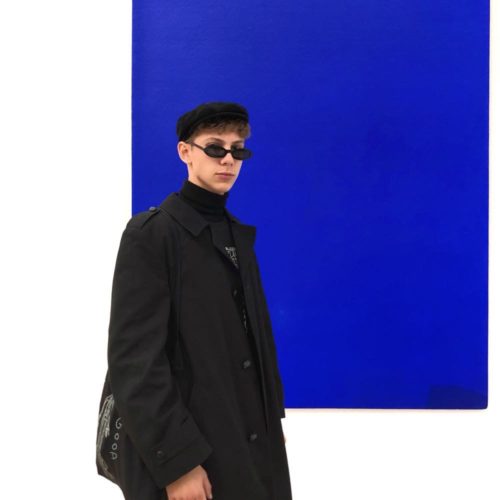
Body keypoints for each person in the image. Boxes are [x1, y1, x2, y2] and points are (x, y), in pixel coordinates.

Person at [104, 101, 293, 499]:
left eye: (237, 149)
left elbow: (256, 346)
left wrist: (270, 426)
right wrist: (178, 464)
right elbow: (135, 363)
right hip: (194, 454)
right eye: (214, 147)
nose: (228, 159)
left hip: (248, 444)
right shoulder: (152, 235)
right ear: (185, 152)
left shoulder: (238, 236)